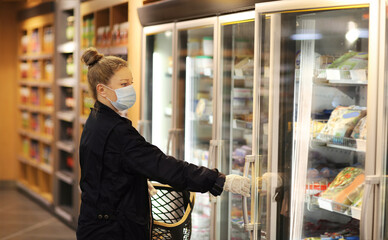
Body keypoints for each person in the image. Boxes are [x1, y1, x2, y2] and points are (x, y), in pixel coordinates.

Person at [76, 47, 251, 240]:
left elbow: (104, 172)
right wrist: (218, 180)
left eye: (130, 84)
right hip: (113, 231)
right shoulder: (118, 131)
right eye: (123, 84)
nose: (130, 90)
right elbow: (163, 166)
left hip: (95, 224)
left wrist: (134, 182)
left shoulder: (95, 119)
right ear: (101, 89)